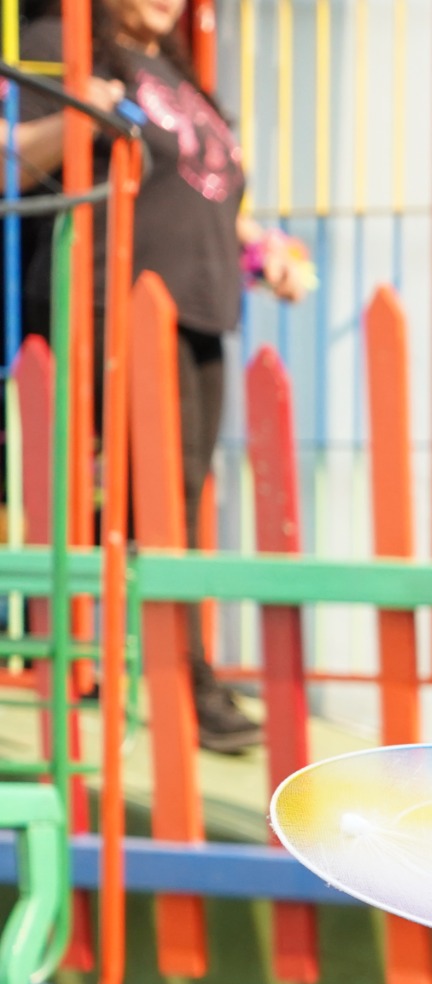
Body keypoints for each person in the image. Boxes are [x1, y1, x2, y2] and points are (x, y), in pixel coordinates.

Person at [14, 0, 306, 754]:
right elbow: (15, 158)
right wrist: (81, 118)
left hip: (200, 309)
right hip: (118, 299)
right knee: (152, 497)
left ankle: (145, 666)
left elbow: (206, 194)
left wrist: (261, 251)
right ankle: (183, 682)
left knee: (176, 494)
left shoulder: (177, 70)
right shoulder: (59, 39)